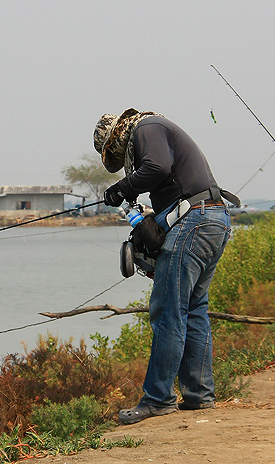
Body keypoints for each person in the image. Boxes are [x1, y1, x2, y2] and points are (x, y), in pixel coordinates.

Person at [93, 108, 232, 424]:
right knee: (193, 308)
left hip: (195, 221)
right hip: (214, 218)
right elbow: (166, 177)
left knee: (168, 310)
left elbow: (157, 167)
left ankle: (158, 399)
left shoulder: (146, 127)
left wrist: (122, 188)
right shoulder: (158, 128)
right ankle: (199, 395)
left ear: (117, 137)